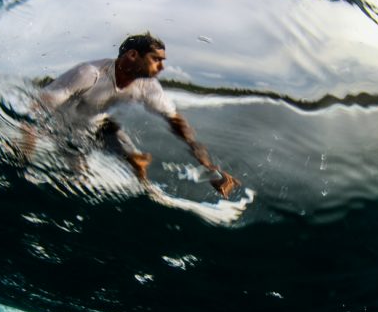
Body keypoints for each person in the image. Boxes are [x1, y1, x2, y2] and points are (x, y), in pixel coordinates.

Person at [28, 32, 239, 198]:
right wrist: (26, 146)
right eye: (156, 59)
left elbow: (177, 123)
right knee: (80, 179)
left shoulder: (148, 86)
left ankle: (148, 195)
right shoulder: (89, 73)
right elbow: (39, 107)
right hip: (63, 127)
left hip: (100, 125)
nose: (162, 66)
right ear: (132, 55)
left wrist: (209, 167)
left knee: (137, 163)